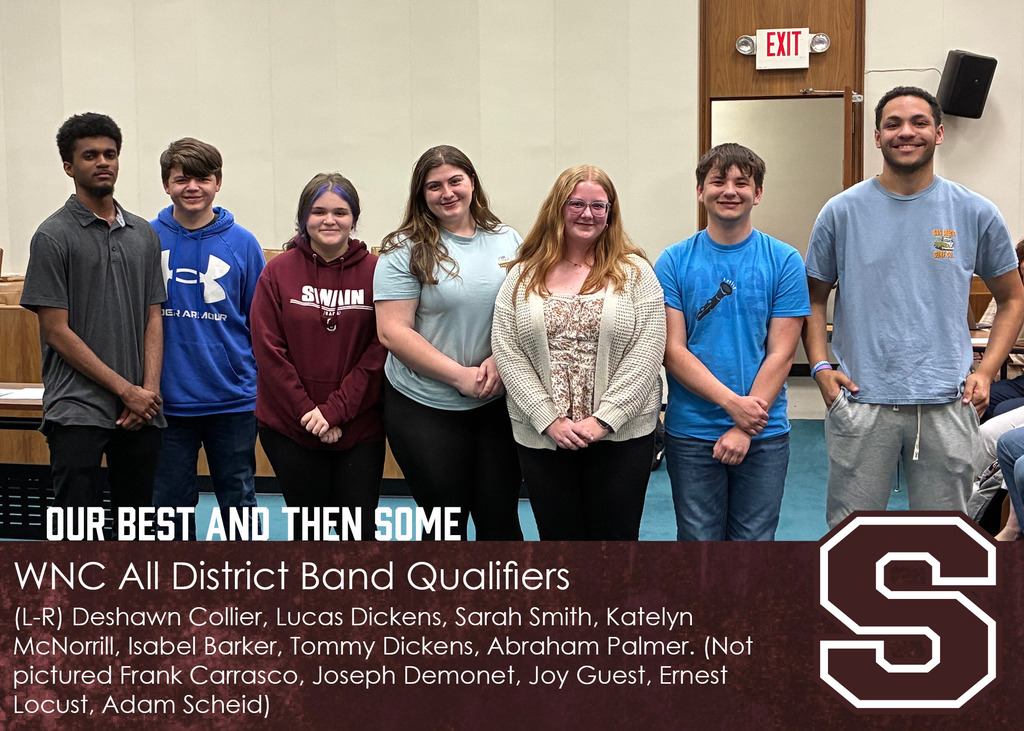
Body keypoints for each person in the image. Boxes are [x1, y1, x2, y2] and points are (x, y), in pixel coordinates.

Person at [804, 86, 1024, 529]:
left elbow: (1012, 297)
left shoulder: (974, 211)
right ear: (877, 136)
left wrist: (985, 372)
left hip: (947, 402)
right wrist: (820, 368)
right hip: (861, 401)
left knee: (946, 537)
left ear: (939, 133)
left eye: (919, 122)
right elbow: (813, 297)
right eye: (893, 124)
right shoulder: (841, 212)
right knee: (851, 535)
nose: (906, 132)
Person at [491, 165, 665, 540]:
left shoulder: (635, 272)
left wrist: (604, 420)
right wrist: (548, 419)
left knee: (615, 541)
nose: (588, 214)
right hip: (545, 437)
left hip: (622, 436)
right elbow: (507, 350)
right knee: (559, 540)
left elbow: (648, 351)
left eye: (599, 206)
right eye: (577, 204)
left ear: (610, 213)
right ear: (558, 208)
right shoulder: (523, 273)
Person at [655, 144, 810, 541]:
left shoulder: (785, 260)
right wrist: (732, 407)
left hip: (764, 433)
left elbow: (782, 351)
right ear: (700, 190)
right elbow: (674, 351)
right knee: (698, 541)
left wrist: (746, 426)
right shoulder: (672, 261)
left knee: (754, 543)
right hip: (692, 432)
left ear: (757, 193)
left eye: (742, 183)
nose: (730, 190)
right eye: (718, 181)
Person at [20, 113, 166, 533]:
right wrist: (126, 390)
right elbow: (56, 331)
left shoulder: (143, 233)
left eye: (110, 154)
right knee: (75, 531)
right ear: (69, 167)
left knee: (136, 528)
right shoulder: (52, 236)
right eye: (90, 155)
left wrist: (148, 393)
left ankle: (130, 601)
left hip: (140, 408)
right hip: (76, 409)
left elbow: (153, 316)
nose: (103, 162)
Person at [374, 145, 522, 540]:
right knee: (444, 525)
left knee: (500, 517)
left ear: (472, 182)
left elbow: (524, 313)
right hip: (424, 404)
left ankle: (507, 602)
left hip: (495, 400)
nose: (447, 193)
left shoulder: (508, 239)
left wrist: (498, 360)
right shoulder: (402, 248)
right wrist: (459, 376)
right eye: (434, 186)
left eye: (455, 180)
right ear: (421, 195)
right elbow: (392, 331)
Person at [251, 173, 386, 540]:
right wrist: (308, 413)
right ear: (303, 218)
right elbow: (268, 348)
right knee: (307, 533)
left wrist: (334, 411)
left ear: (354, 219)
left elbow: (380, 349)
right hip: (291, 427)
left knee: (358, 533)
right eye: (319, 211)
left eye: (341, 212)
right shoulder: (277, 272)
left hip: (360, 428)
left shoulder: (378, 273)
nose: (330, 220)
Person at [150, 138, 265, 540]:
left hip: (231, 398)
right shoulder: (146, 240)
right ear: (167, 185)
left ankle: (245, 587)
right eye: (181, 179)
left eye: (203, 178)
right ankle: (176, 591)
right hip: (165, 401)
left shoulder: (244, 244)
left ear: (218, 183)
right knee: (168, 506)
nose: (192, 187)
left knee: (238, 501)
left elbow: (259, 322)